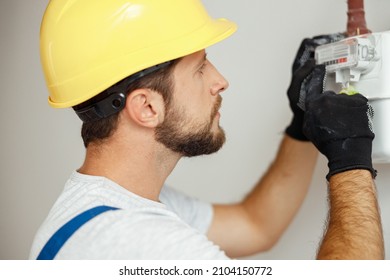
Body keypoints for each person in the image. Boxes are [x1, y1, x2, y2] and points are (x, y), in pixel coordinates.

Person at [30, 0, 384, 260]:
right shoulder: (137, 243)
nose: (220, 81)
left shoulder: (120, 204)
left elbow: (255, 225)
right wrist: (350, 161)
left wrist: (300, 127)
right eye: (200, 69)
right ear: (147, 107)